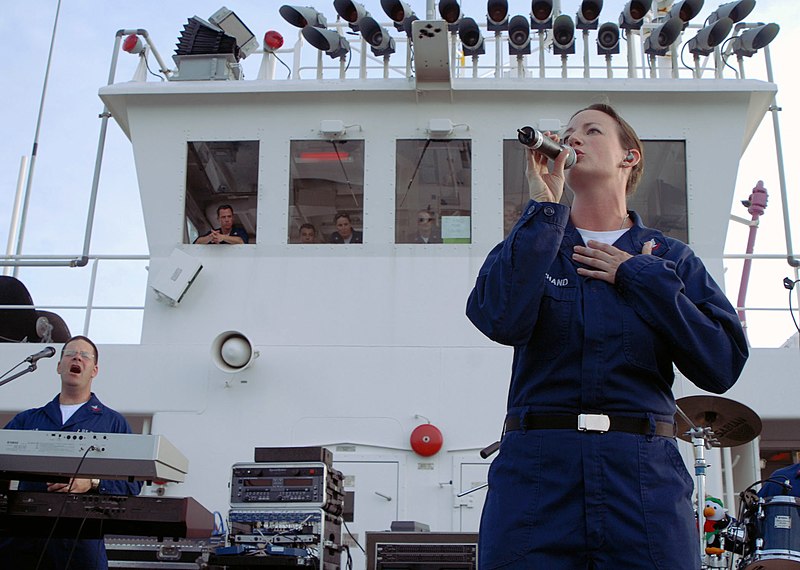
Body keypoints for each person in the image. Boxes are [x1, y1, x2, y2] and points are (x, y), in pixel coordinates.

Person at [466, 103, 748, 569]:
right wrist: (545, 208)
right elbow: (498, 318)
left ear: (629, 157)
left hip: (643, 479)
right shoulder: (538, 242)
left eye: (591, 130)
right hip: (537, 476)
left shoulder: (671, 259)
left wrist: (638, 276)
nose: (573, 138)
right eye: (569, 131)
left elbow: (721, 364)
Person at [0, 335, 143, 569]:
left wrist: (92, 483)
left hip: (81, 541)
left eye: (85, 356)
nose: (77, 357)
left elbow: (133, 485)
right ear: (59, 366)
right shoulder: (27, 419)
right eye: (70, 353)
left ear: (94, 371)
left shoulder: (113, 423)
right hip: (23, 539)